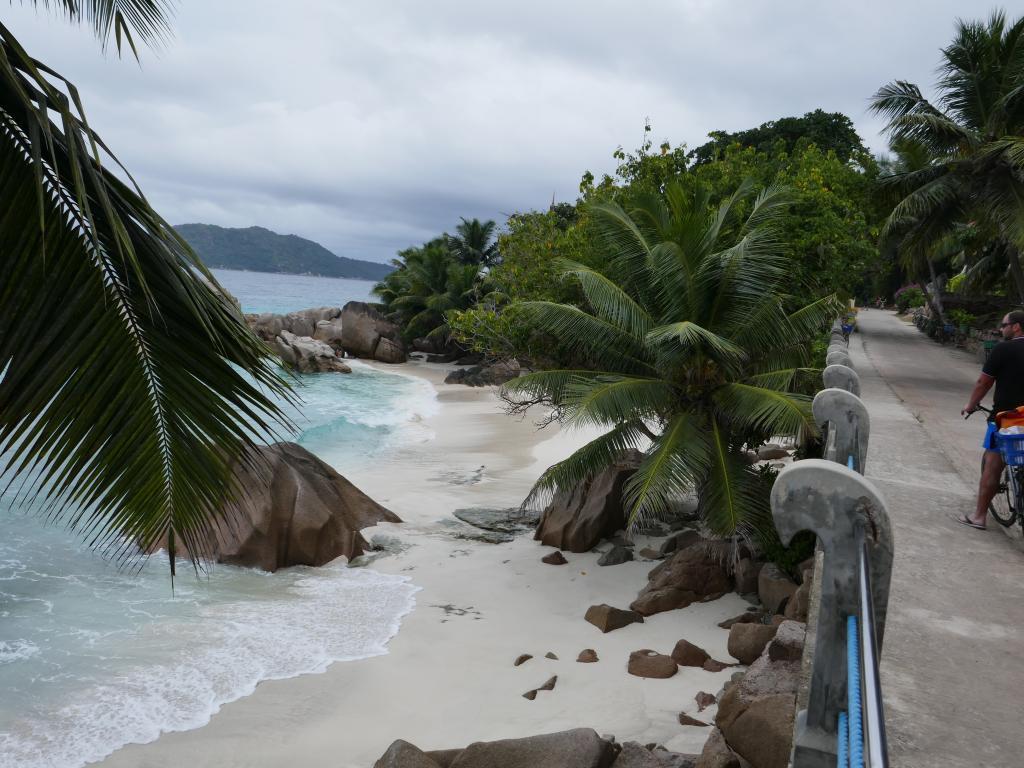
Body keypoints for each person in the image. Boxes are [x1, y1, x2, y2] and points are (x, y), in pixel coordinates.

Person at [959, 310, 1024, 529]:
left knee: (993, 464)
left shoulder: (1004, 349)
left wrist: (970, 405)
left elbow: (983, 383)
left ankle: (978, 516)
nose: (1001, 328)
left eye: (1004, 325)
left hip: (1008, 419)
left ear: (1016, 326)